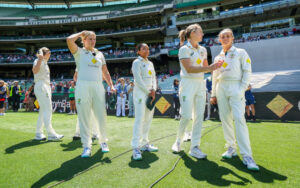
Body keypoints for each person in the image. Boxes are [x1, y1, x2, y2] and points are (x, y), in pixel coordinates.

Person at [210, 28, 259, 171]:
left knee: (239, 119)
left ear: (232, 38)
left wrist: (241, 88)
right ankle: (231, 147)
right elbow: (214, 76)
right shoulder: (217, 57)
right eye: (222, 37)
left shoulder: (241, 53)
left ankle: (247, 155)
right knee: (225, 119)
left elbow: (247, 71)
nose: (225, 38)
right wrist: (213, 94)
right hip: (221, 88)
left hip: (236, 86)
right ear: (219, 40)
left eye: (227, 36)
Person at [171, 24, 222, 159]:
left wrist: (215, 67)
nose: (203, 34)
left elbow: (206, 68)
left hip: (200, 84)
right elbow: (189, 69)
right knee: (187, 116)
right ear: (193, 33)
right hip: (187, 84)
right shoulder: (183, 49)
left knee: (199, 116)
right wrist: (209, 68)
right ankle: (178, 141)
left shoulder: (203, 50)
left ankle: (195, 147)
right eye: (201, 32)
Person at [67, 30, 116, 158]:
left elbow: (105, 71)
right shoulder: (79, 52)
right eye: (90, 39)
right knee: (84, 117)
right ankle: (86, 146)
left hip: (98, 86)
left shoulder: (100, 54)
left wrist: (111, 85)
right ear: (83, 40)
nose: (93, 41)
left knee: (101, 115)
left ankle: (103, 142)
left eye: (94, 39)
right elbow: (69, 40)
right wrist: (81, 33)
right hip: (82, 86)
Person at [131, 43, 158, 160]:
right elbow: (138, 79)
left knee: (148, 119)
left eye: (148, 48)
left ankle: (145, 143)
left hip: (150, 94)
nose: (147, 50)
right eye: (143, 48)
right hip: (141, 94)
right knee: (140, 119)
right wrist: (148, 91)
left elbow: (154, 78)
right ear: (138, 51)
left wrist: (154, 90)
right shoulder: (136, 63)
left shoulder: (150, 63)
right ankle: (135, 147)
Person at [32, 47, 64, 141]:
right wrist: (40, 58)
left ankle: (38, 133)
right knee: (48, 110)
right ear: (44, 53)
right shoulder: (38, 60)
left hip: (44, 86)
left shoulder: (45, 62)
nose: (50, 54)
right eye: (48, 52)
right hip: (41, 86)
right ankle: (51, 134)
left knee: (43, 110)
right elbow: (35, 71)